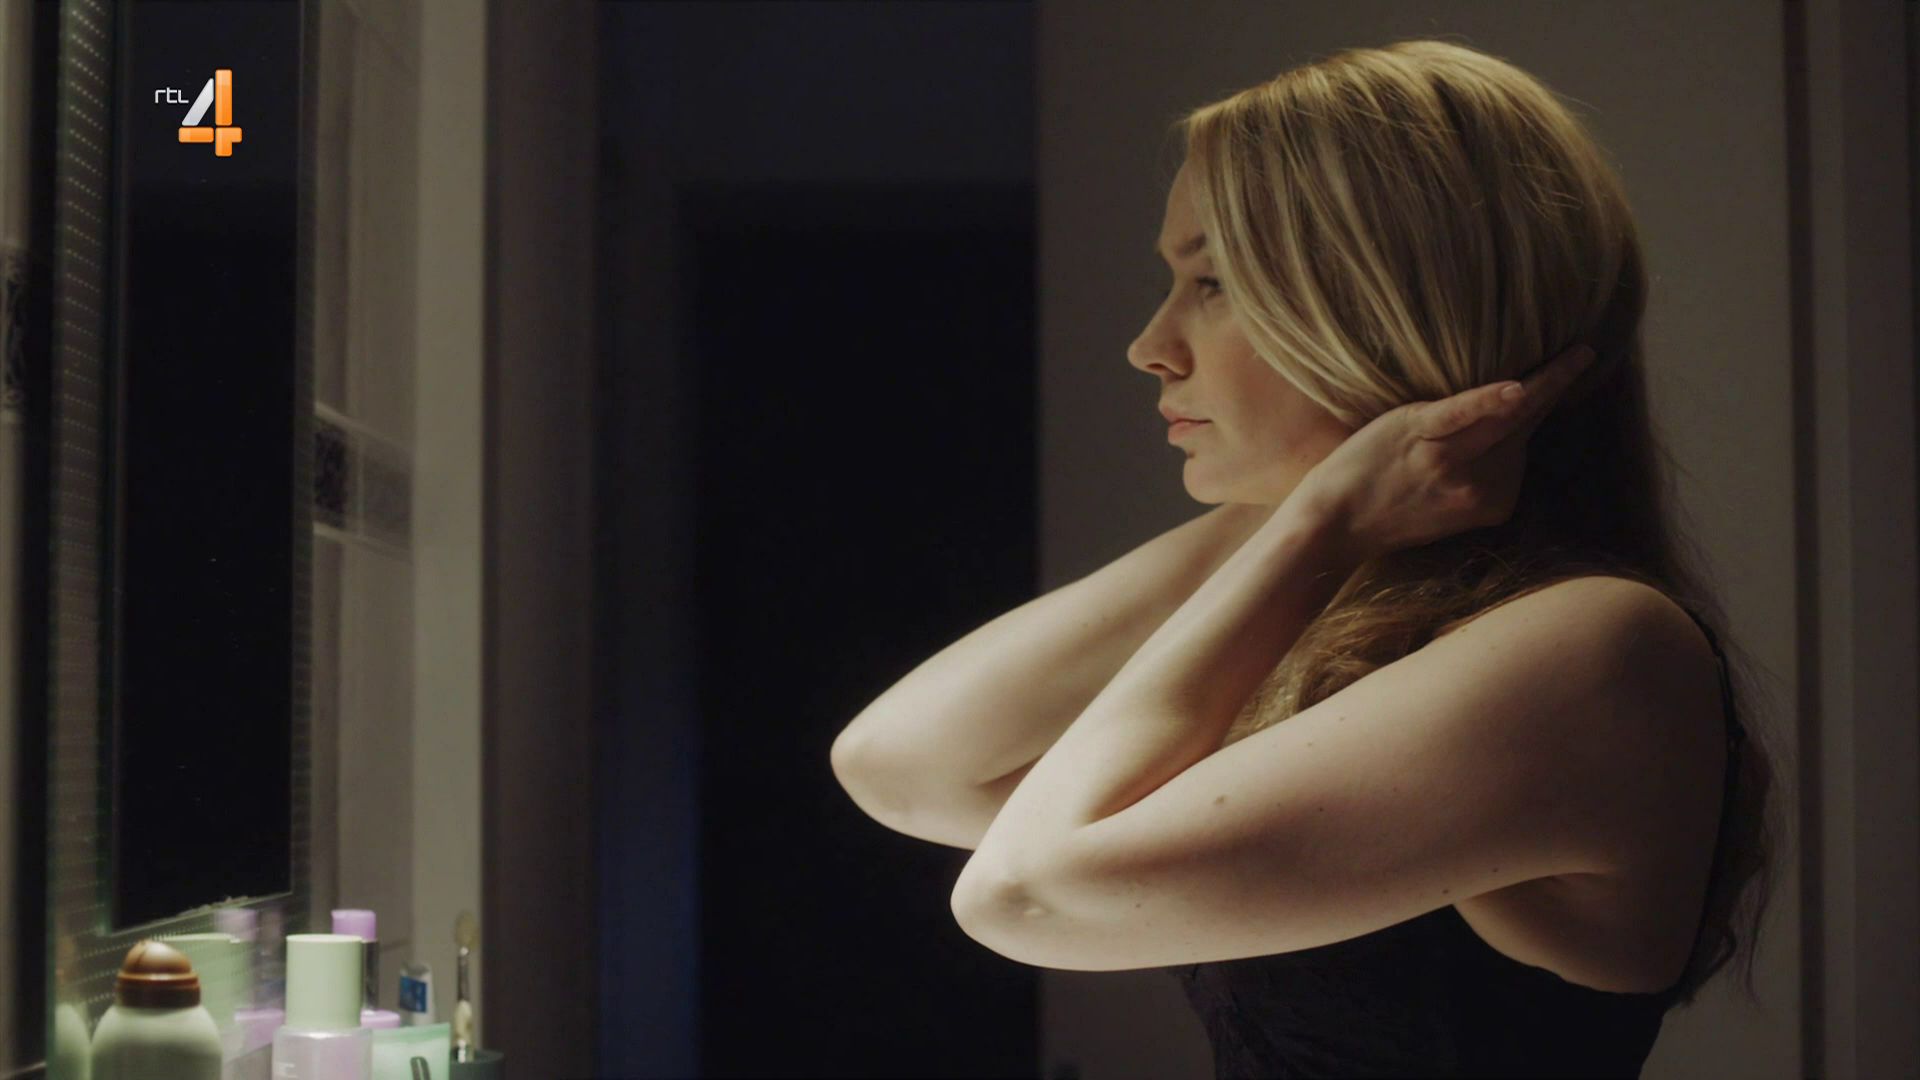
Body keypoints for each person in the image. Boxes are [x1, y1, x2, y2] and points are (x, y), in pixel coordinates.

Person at [832, 37, 1780, 1079]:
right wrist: (1311, 512)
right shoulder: (1379, 613)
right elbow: (902, 766)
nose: (1151, 347)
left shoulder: (1597, 646)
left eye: (1214, 283)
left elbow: (1026, 893)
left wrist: (1318, 521)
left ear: (1390, 307)